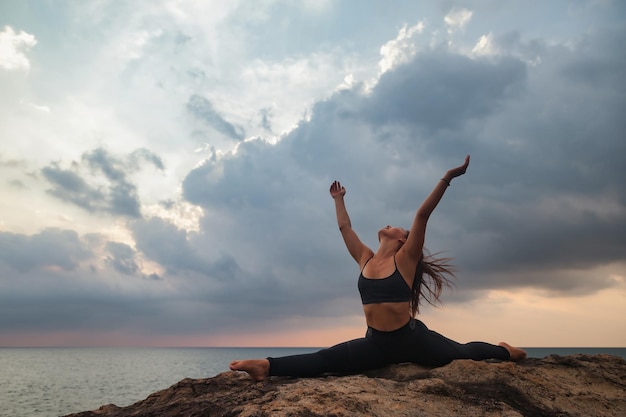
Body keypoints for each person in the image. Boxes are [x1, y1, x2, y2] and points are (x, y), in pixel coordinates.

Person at [230, 155, 526, 381]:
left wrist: (447, 177)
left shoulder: (406, 259)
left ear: (401, 238)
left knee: (462, 352)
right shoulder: (366, 258)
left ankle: (506, 351)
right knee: (326, 359)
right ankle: (267, 366)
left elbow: (422, 215)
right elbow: (345, 227)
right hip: (376, 344)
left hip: (413, 341)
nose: (388, 223)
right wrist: (339, 200)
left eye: (394, 225)